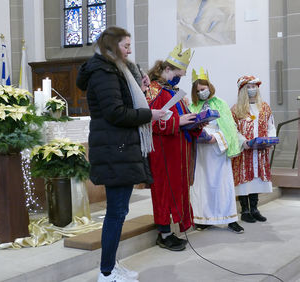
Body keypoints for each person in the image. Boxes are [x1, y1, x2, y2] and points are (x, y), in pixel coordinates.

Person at [76, 26, 165, 282]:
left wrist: (140, 85)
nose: (129, 50)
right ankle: (106, 272)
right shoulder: (104, 72)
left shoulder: (116, 69)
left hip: (121, 147)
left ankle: (111, 266)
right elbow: (115, 112)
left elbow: (124, 103)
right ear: (112, 47)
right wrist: (151, 114)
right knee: (116, 212)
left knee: (119, 211)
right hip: (116, 148)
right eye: (126, 46)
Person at [146, 43, 201, 251]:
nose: (180, 77)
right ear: (167, 69)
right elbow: (148, 122)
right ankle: (164, 233)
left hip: (178, 150)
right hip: (162, 150)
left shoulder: (173, 90)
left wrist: (197, 122)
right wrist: (177, 122)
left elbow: (182, 117)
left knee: (176, 190)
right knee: (163, 191)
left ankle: (173, 229)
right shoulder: (153, 90)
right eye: (179, 73)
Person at [189, 67, 244, 234]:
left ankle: (230, 219)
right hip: (201, 153)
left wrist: (216, 138)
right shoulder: (193, 106)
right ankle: (204, 219)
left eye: (203, 89)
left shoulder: (220, 104)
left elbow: (229, 129)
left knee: (222, 186)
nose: (201, 93)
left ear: (209, 87)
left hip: (218, 151)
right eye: (198, 91)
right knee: (202, 186)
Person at [231, 75, 276, 223]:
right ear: (243, 90)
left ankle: (254, 209)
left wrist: (270, 140)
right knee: (245, 180)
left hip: (260, 151)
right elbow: (234, 130)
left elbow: (271, 126)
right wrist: (243, 142)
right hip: (245, 152)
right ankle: (244, 210)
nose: (252, 89)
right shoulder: (236, 109)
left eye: (254, 86)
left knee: (256, 179)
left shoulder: (264, 107)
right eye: (249, 87)